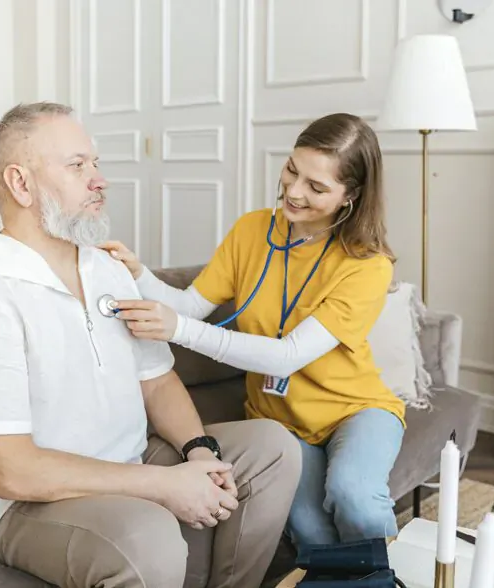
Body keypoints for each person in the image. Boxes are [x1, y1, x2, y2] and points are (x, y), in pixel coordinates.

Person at [0, 101, 302, 588]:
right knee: (146, 535)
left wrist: (199, 452)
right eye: (77, 166)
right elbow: (10, 471)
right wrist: (164, 485)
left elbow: (158, 382)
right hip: (22, 504)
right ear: (21, 184)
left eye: (95, 164)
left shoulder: (106, 269)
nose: (99, 179)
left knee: (271, 448)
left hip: (128, 461)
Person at [100, 112, 405, 548]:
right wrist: (139, 273)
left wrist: (179, 330)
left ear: (350, 196)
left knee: (354, 497)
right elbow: (190, 305)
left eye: (317, 187)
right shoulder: (252, 230)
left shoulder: (367, 266)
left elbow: (287, 355)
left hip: (354, 410)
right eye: (292, 171)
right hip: (277, 421)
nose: (294, 192)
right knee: (311, 533)